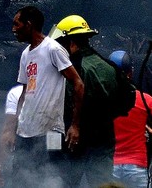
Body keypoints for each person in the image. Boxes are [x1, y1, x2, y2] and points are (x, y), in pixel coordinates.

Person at [10, 6, 84, 188]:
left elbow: (78, 83)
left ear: (29, 25)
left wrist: (75, 125)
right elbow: (25, 91)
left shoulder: (53, 49)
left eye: (16, 24)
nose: (13, 29)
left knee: (51, 177)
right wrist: (14, 126)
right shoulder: (26, 54)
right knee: (20, 180)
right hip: (25, 131)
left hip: (51, 130)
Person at [49, 14, 121, 187]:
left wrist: (51, 151)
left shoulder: (69, 72)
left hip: (71, 146)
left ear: (70, 42)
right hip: (102, 145)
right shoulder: (109, 67)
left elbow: (57, 111)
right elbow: (122, 102)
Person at [108, 50, 151, 188]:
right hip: (136, 165)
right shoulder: (146, 100)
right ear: (130, 73)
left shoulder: (102, 98)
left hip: (110, 165)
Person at [0, 84, 23, 187]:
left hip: (53, 145)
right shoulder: (16, 93)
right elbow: (8, 130)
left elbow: (8, 130)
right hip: (26, 150)